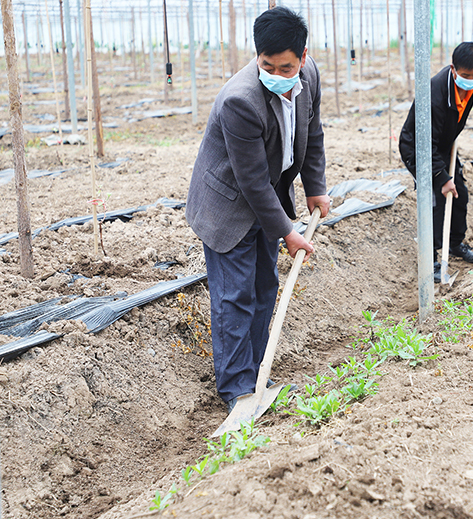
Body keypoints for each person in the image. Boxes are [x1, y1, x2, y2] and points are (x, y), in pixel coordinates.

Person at [185, 6, 330, 412]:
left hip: (268, 199)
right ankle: (237, 388)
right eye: (267, 66)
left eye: (286, 68)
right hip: (226, 206)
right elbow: (251, 181)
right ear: (257, 57)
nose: (277, 76)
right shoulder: (240, 100)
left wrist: (315, 189)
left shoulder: (309, 75)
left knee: (264, 289)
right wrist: (287, 231)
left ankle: (257, 372)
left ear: (302, 58)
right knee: (235, 296)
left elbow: (312, 133)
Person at [399, 42, 473, 283]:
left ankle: (455, 243)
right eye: (466, 75)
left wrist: (450, 175)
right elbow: (425, 143)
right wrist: (441, 177)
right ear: (453, 69)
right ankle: (431, 260)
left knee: (460, 194)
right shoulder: (435, 94)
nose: (471, 80)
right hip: (418, 147)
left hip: (442, 145)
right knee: (436, 200)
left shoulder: (469, 86)